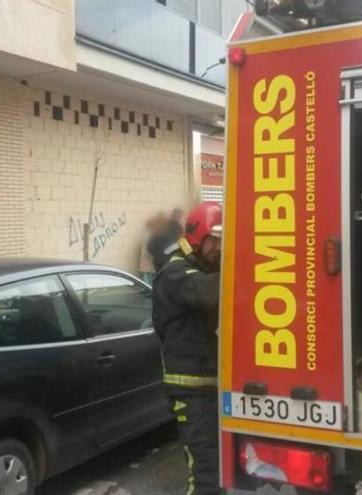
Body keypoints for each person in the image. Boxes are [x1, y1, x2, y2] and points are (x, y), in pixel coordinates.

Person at [152, 202, 222, 495]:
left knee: (219, 471)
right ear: (197, 235)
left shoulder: (200, 267)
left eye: (223, 242)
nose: (219, 248)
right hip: (191, 393)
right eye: (214, 240)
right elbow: (209, 292)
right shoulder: (175, 273)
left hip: (213, 389)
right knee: (204, 475)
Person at [148, 208, 185, 272]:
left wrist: (156, 255)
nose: (178, 218)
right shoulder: (178, 228)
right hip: (168, 260)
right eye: (178, 216)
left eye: (179, 216)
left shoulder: (165, 225)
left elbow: (150, 246)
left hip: (162, 259)